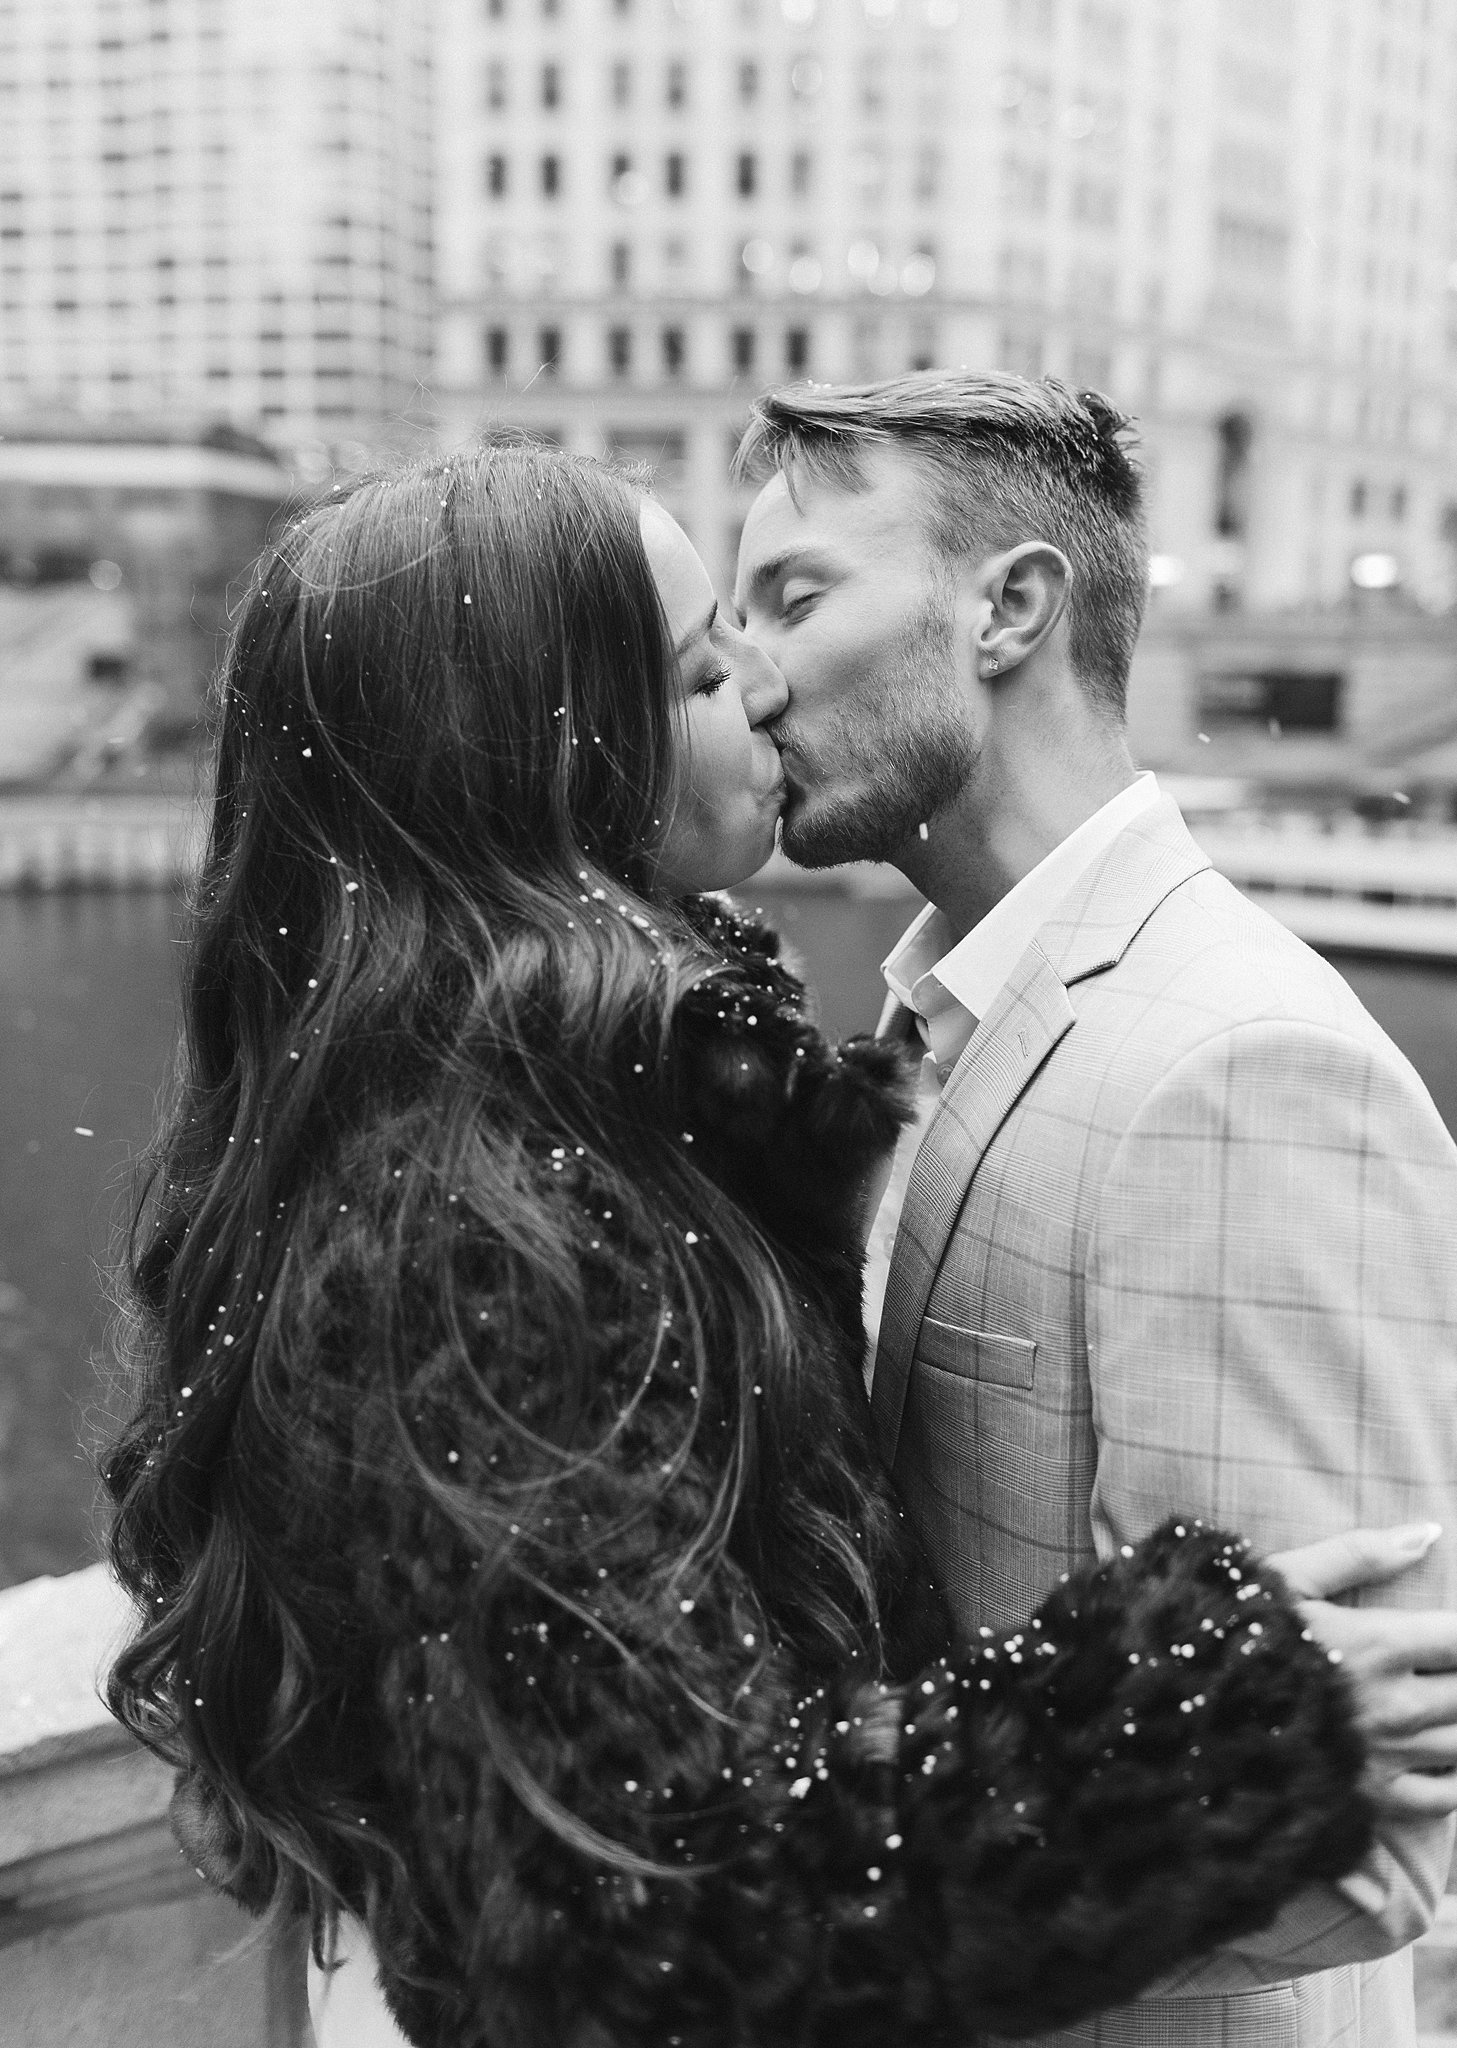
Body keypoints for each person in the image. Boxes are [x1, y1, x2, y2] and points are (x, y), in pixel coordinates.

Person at [100, 441, 1448, 2048]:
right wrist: (1204, 1734)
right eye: (695, 662)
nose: (760, 678)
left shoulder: (600, 1116)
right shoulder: (477, 1229)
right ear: (554, 762)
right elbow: (636, 1931)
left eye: (779, 607)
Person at [732, 371, 1457, 2048]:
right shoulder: (938, 1024)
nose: (748, 676)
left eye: (798, 596)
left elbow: (1356, 1852)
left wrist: (856, 1905)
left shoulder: (1234, 1065)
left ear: (1009, 610)